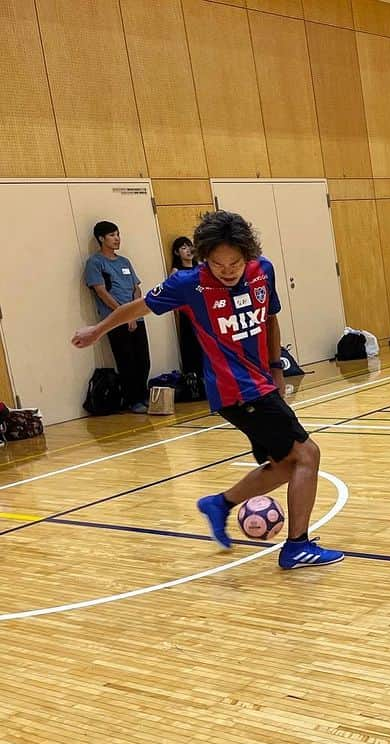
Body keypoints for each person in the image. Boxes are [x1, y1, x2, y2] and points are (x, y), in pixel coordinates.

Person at [72, 211, 344, 570]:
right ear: (203, 257)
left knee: (285, 465)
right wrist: (98, 330)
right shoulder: (188, 284)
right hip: (237, 390)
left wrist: (277, 366)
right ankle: (296, 546)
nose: (227, 270)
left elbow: (270, 318)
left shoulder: (263, 270)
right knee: (308, 455)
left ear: (247, 255)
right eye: (218, 264)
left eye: (235, 262)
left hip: (261, 382)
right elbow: (138, 307)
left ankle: (221, 504)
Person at [84, 221, 151, 413]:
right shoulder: (95, 263)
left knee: (143, 360)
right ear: (101, 238)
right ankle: (133, 400)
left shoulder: (124, 262)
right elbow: (102, 292)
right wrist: (124, 314)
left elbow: (136, 287)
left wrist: (135, 311)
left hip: (136, 317)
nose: (117, 238)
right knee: (126, 360)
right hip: (115, 320)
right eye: (112, 235)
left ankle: (143, 395)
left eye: (118, 234)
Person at [170, 236, 205, 374]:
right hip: (188, 314)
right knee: (192, 346)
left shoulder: (201, 268)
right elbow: (174, 296)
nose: (188, 250)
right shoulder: (176, 272)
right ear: (177, 253)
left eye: (189, 246)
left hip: (205, 312)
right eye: (183, 248)